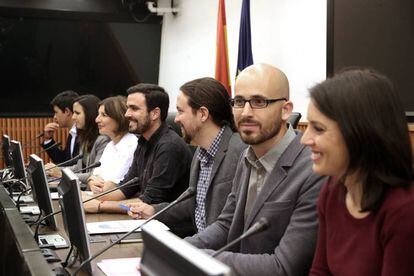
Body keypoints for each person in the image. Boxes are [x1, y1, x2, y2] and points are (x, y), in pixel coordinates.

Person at [185, 64, 325, 276]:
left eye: (259, 102)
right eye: (239, 102)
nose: (246, 112)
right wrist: (181, 248)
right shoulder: (246, 155)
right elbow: (226, 224)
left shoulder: (313, 169)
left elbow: (284, 267)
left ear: (285, 110)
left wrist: (201, 257)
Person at [302, 69, 414, 275]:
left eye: (318, 128)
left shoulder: (404, 211)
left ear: (360, 133)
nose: (304, 139)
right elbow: (320, 271)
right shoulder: (332, 189)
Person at [127, 77, 247, 237]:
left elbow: (230, 225)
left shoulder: (239, 152)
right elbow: (193, 203)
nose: (176, 119)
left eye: (181, 111)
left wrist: (185, 249)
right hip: (199, 244)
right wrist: (153, 210)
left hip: (217, 253)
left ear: (203, 114)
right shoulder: (200, 152)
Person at [83, 83, 192, 213]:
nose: (127, 114)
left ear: (155, 114)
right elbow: (125, 189)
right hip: (145, 221)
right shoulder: (143, 142)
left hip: (168, 229)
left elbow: (149, 202)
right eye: (128, 108)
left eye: (134, 109)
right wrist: (88, 198)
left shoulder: (169, 146)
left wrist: (100, 206)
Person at [46, 95, 109, 186]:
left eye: (77, 113)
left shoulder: (103, 140)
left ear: (89, 115)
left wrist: (61, 174)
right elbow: (77, 167)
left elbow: (95, 175)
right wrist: (56, 169)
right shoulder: (85, 137)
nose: (73, 117)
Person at [87, 96, 138, 194]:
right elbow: (94, 175)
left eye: (104, 115)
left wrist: (94, 182)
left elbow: (109, 188)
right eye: (98, 115)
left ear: (119, 117)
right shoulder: (110, 145)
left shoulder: (131, 145)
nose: (97, 120)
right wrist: (91, 181)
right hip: (100, 198)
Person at [42, 90, 80, 164]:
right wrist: (48, 139)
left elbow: (77, 167)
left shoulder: (82, 134)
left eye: (56, 112)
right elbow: (63, 161)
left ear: (67, 111)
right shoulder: (72, 133)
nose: (54, 117)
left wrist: (57, 170)